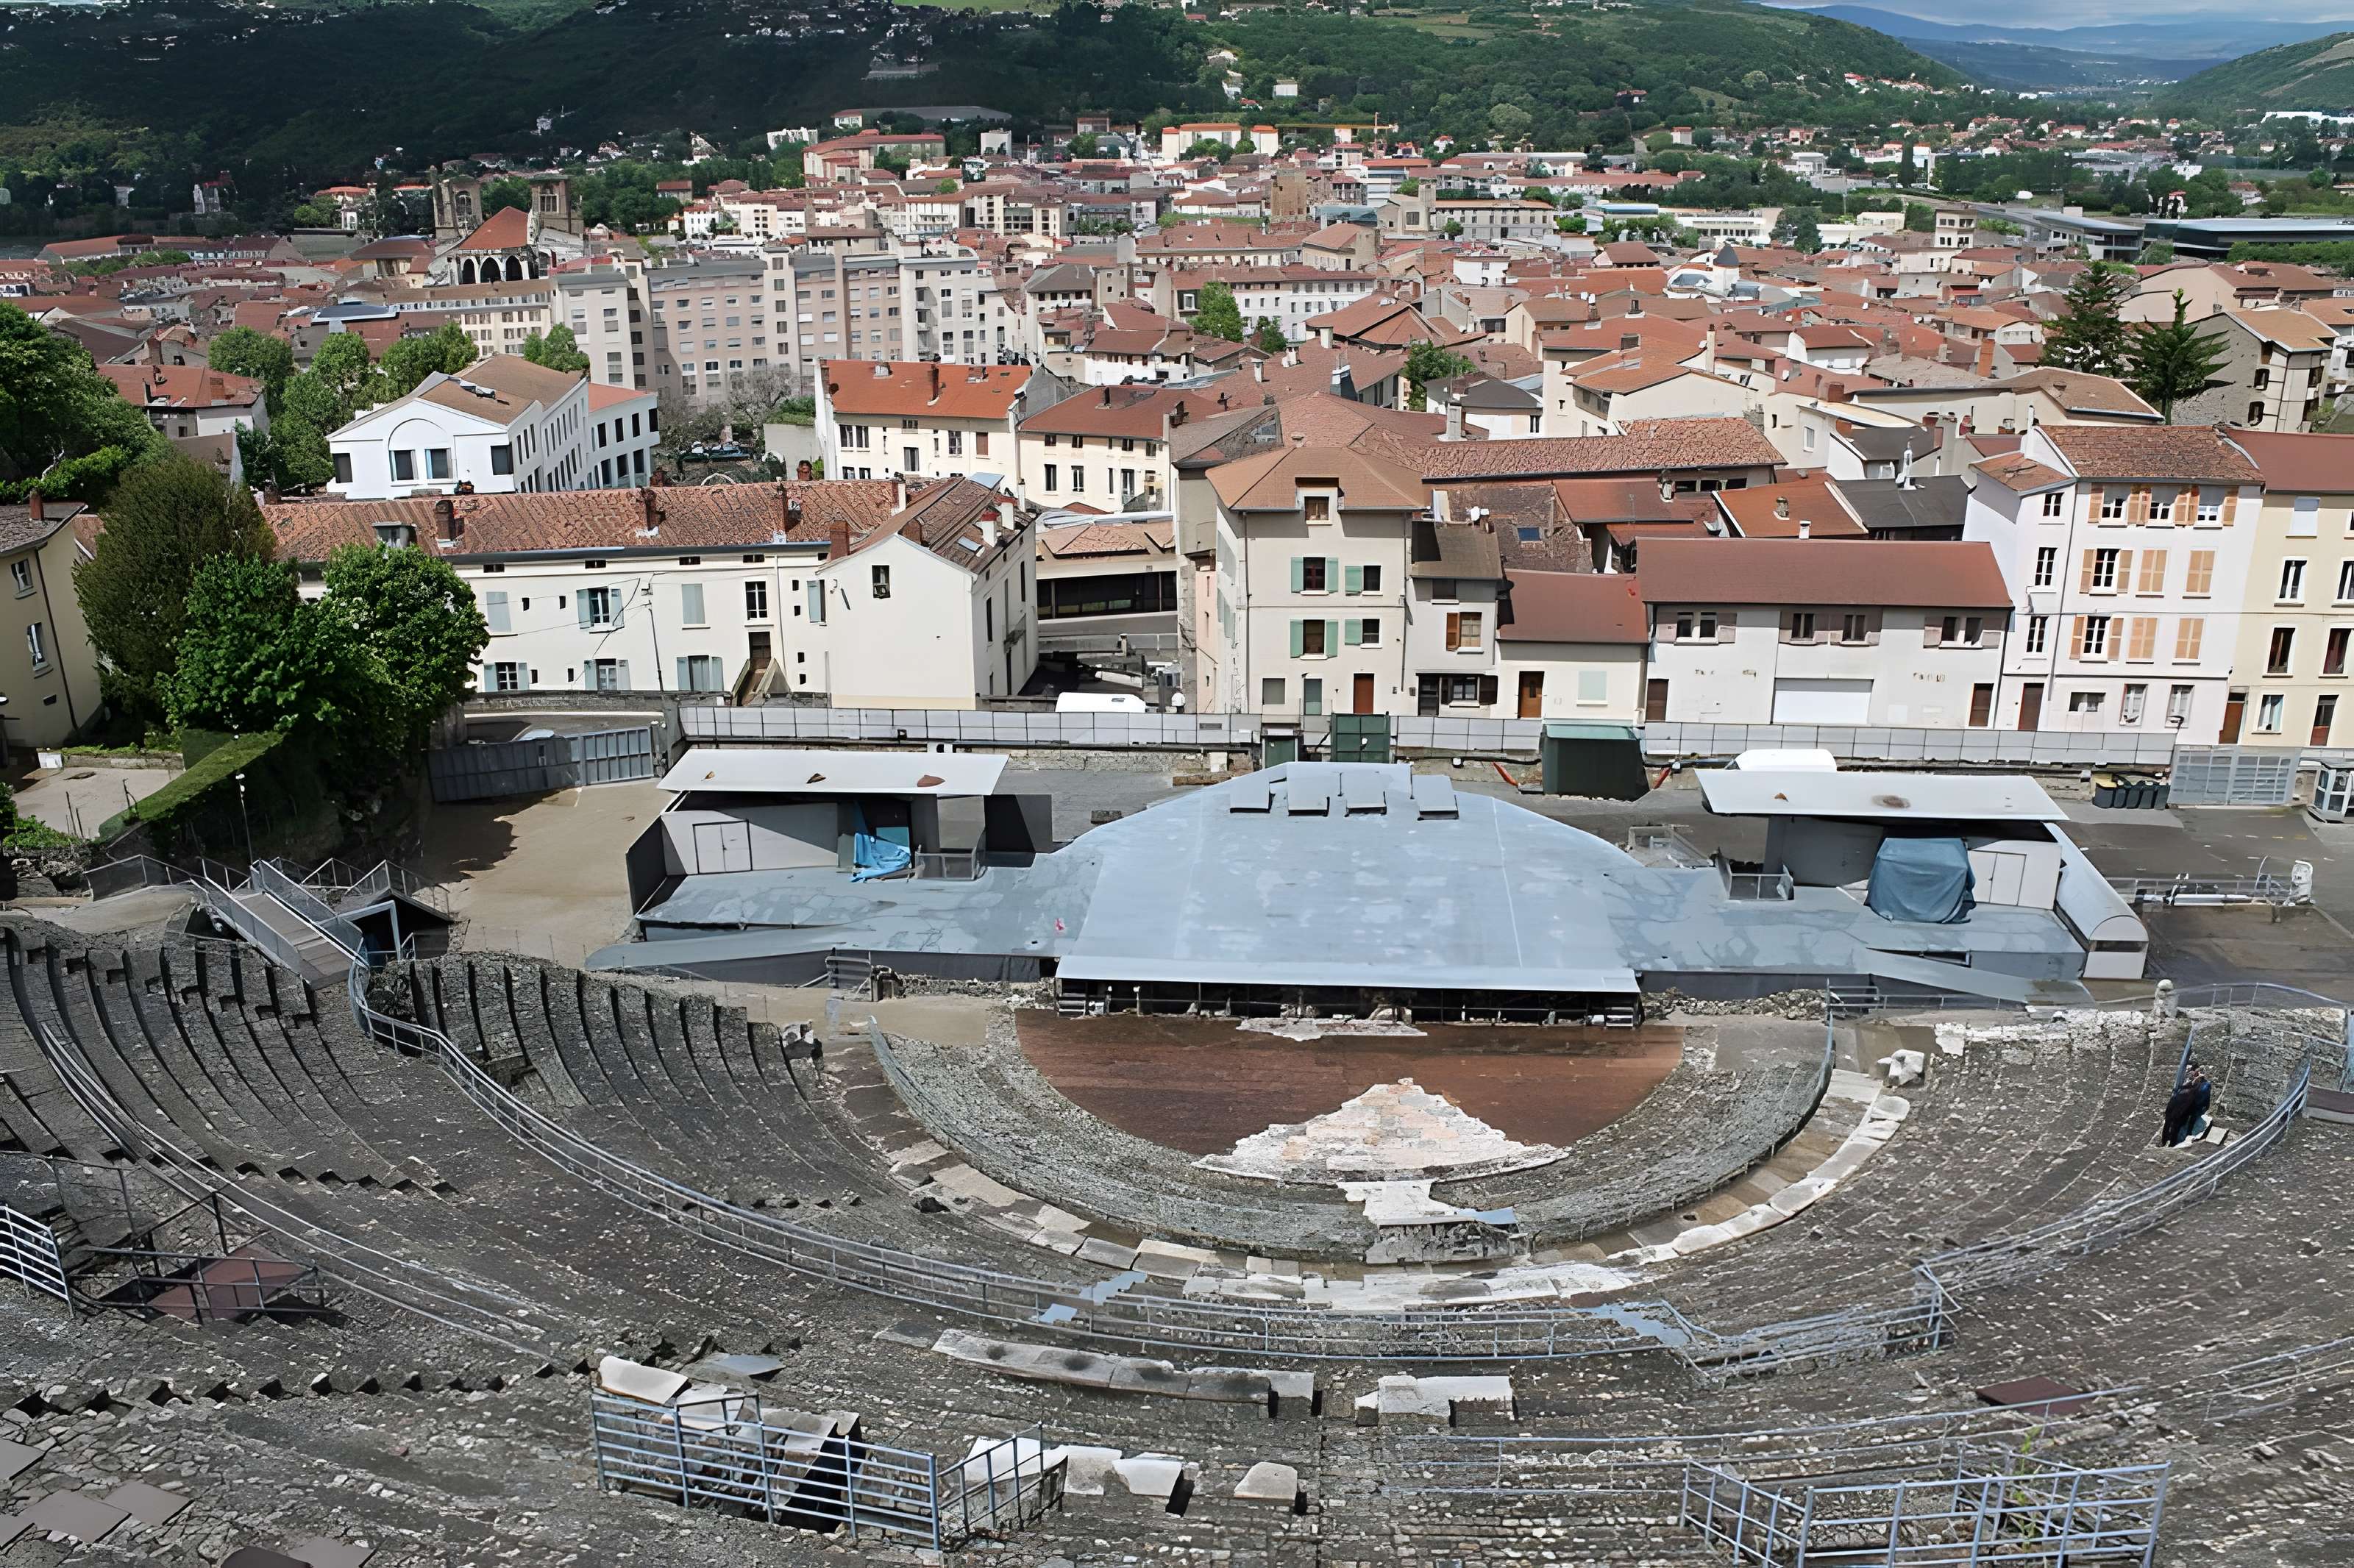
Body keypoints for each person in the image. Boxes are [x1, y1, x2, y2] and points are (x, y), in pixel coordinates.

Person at [2160, 1066, 2202, 1147]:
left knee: (2174, 1127)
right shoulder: (2187, 1084)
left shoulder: (2192, 1088)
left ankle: (2170, 1143)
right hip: (2174, 1107)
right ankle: (2166, 1141)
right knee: (2169, 1125)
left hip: (2178, 1109)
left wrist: (2197, 1078)